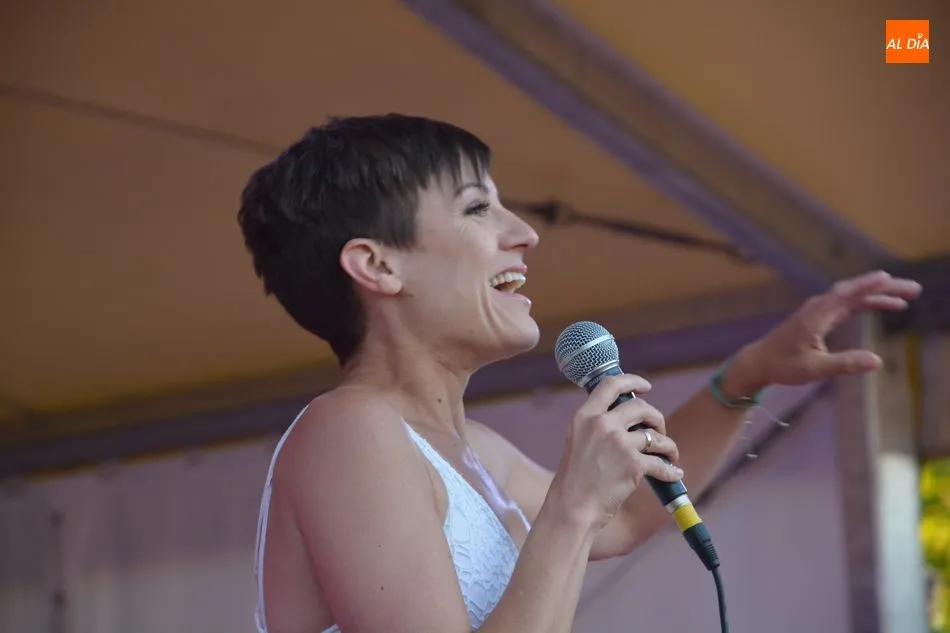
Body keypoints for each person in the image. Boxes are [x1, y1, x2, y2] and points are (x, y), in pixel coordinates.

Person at [237, 113, 921, 633]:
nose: (524, 233)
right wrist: (573, 506)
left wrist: (747, 374)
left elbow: (631, 512)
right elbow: (589, 512)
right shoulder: (349, 431)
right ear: (378, 266)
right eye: (477, 208)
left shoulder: (475, 451)